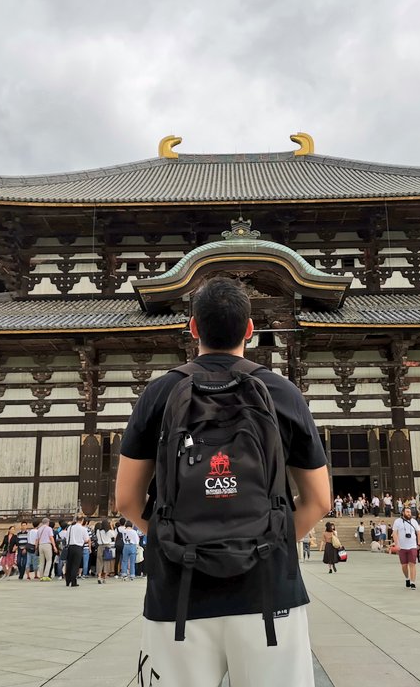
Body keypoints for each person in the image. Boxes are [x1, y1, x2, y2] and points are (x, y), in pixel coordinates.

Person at [115, 278, 330, 685]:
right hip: (270, 595)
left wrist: (176, 541)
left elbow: (126, 500)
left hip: (178, 596)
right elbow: (319, 500)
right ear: (250, 329)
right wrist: (268, 543)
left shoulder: (159, 393)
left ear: (193, 328)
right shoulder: (283, 392)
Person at [393, 506, 420, 589]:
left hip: (412, 545)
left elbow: (419, 532)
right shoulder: (397, 521)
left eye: (410, 512)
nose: (409, 513)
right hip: (402, 547)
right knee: (404, 565)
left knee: (412, 564)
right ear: (403, 512)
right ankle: (407, 578)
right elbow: (395, 533)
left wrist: (419, 543)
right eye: (407, 512)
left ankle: (413, 582)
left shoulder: (414, 521)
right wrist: (396, 544)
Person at [62, 514, 88, 587]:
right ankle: (73, 581)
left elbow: (67, 537)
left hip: (70, 547)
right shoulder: (83, 529)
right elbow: (86, 539)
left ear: (76, 520)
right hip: (78, 547)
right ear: (82, 520)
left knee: (69, 564)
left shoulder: (70, 528)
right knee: (75, 565)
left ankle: (68, 581)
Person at [94, 519, 116, 584]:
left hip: (100, 546)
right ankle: (104, 578)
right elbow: (114, 535)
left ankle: (99, 576)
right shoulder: (109, 531)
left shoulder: (98, 531)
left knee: (99, 562)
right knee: (107, 562)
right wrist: (111, 527)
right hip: (107, 547)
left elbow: (97, 537)